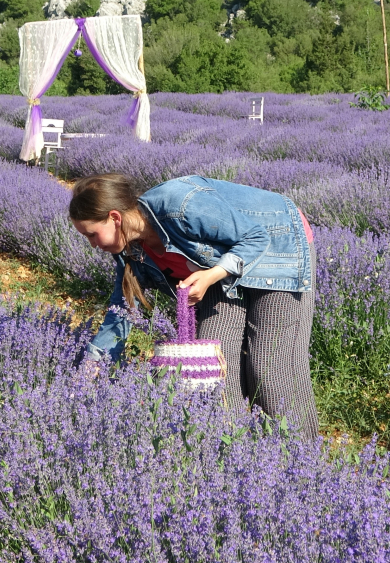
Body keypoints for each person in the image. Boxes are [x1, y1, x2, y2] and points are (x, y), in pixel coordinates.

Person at [69, 173, 319, 440]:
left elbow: (255, 237)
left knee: (269, 368)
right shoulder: (130, 250)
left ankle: (299, 457)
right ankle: (234, 453)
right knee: (214, 366)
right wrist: (93, 366)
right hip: (222, 265)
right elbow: (122, 310)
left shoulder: (181, 205)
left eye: (91, 234)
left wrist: (211, 275)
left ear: (115, 218)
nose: (93, 244)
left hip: (277, 247)